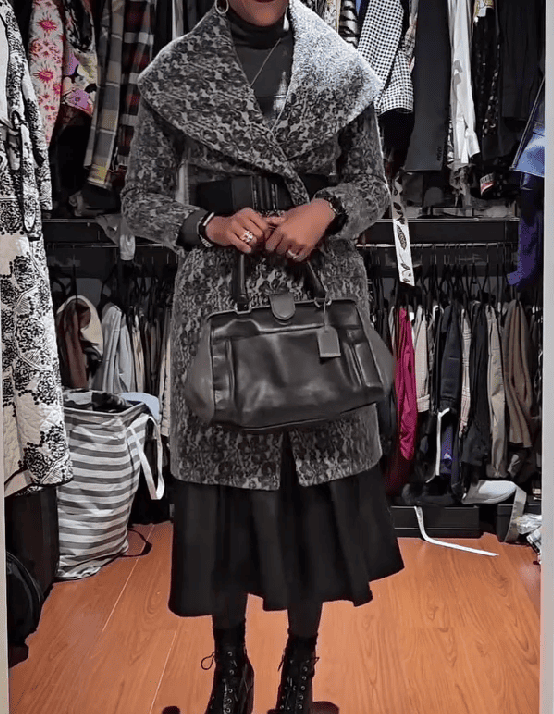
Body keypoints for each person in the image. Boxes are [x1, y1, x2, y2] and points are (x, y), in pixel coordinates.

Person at [121, 0, 405, 711]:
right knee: (225, 501)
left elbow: (373, 185)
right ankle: (230, 671)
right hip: (221, 305)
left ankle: (298, 673)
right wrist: (207, 224)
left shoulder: (342, 67)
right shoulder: (177, 69)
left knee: (314, 501)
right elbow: (140, 200)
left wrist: (325, 211)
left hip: (320, 300)